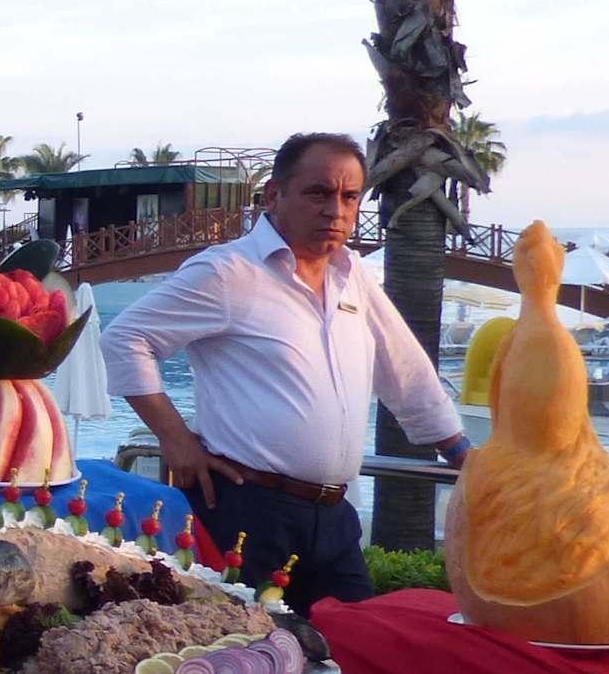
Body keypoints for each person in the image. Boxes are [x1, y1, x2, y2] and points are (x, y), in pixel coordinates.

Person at [101, 132, 470, 610]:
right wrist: (176, 440)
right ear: (275, 195)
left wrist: (461, 453)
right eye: (318, 193)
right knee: (243, 648)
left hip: (334, 516)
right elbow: (125, 339)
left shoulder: (352, 275)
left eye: (349, 196)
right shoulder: (228, 272)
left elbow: (404, 369)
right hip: (248, 511)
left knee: (353, 643)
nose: (335, 210)